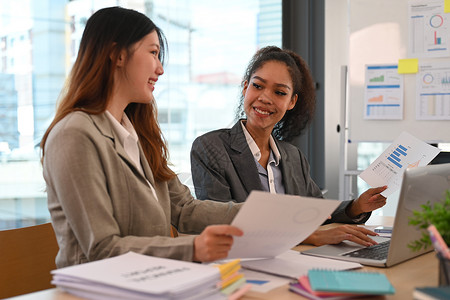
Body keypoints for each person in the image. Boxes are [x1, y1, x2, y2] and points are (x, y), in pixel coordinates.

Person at [40, 6, 243, 268]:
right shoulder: (74, 134)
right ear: (117, 55)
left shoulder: (136, 132)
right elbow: (102, 248)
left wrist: (260, 213)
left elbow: (183, 208)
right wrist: (193, 247)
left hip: (150, 280)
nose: (160, 69)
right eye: (153, 53)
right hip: (100, 288)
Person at [190, 46, 387, 247]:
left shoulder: (293, 156)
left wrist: (356, 207)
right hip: (244, 263)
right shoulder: (210, 148)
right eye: (258, 86)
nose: (265, 97)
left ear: (291, 101)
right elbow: (220, 222)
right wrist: (310, 237)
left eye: (279, 92)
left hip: (297, 257)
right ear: (245, 88)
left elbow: (317, 209)